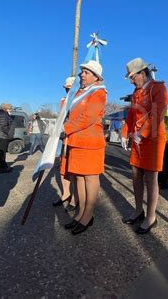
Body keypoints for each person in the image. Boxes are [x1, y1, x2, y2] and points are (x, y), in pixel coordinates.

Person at [121, 57, 168, 234]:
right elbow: (131, 116)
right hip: (138, 138)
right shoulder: (136, 93)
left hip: (153, 139)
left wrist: (143, 133)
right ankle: (138, 210)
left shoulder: (158, 88)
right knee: (135, 175)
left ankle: (151, 217)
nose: (132, 81)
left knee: (150, 178)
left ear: (143, 73)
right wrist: (125, 133)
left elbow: (159, 113)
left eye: (133, 77)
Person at [61, 61, 107, 235]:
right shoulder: (79, 92)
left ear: (95, 77)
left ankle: (88, 215)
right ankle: (80, 213)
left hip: (90, 143)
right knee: (79, 178)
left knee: (90, 179)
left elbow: (88, 117)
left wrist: (65, 128)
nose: (82, 75)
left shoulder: (99, 92)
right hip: (76, 142)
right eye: (82, 72)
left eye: (86, 72)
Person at [54, 76, 76, 208]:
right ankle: (66, 194)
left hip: (75, 138)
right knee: (63, 168)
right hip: (64, 137)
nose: (68, 92)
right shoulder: (63, 101)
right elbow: (62, 118)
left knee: (75, 170)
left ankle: (75, 198)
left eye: (70, 89)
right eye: (66, 89)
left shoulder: (80, 99)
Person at [0, 103, 15, 173]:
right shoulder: (3, 114)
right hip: (4, 136)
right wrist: (9, 134)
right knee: (2, 152)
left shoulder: (3, 114)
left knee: (2, 152)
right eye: (10, 108)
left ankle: (3, 166)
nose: (11, 110)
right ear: (6, 108)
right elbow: (3, 126)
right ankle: (2, 168)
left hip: (2, 135)